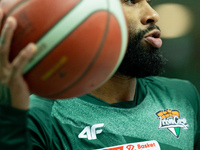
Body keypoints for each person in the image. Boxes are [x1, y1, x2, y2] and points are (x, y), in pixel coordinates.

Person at [0, 0, 199, 149]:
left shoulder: (184, 97)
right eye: (130, 1)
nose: (153, 14)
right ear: (83, 15)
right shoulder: (39, 116)